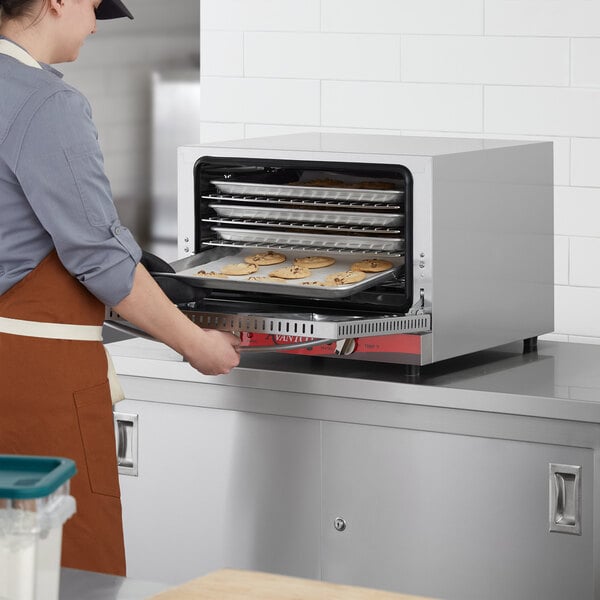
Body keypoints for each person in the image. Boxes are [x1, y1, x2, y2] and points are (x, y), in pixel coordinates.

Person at [0, 0, 240, 577]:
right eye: (91, 5)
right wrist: (195, 343)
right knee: (66, 562)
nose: (95, 21)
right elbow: (100, 257)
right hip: (34, 378)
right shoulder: (47, 103)